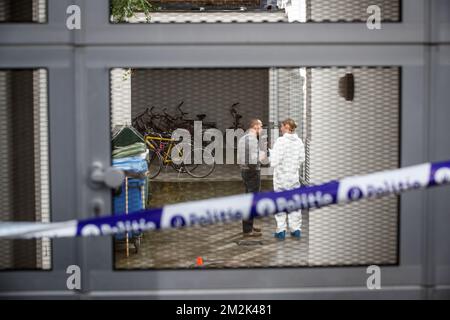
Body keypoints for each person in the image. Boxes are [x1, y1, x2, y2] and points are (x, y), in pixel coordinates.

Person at [269, 118, 305, 240]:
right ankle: (295, 230)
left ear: (286, 127)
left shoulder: (281, 141)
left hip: (281, 179)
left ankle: (281, 231)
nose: (280, 128)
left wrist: (270, 153)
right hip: (294, 178)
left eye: (281, 126)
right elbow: (301, 159)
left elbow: (274, 162)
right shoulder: (299, 142)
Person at [237, 119, 265, 237]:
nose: (262, 129)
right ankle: (248, 230)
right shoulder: (252, 140)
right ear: (256, 127)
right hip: (252, 172)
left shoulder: (244, 138)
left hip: (244, 171)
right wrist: (261, 157)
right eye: (261, 126)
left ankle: (248, 225)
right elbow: (253, 160)